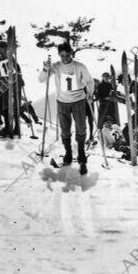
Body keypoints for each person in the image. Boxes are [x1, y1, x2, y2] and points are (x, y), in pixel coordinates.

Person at [38, 42, 94, 175]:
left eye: (67, 55)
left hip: (78, 101)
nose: (65, 58)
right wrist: (45, 69)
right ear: (59, 55)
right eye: (62, 55)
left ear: (71, 53)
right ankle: (68, 154)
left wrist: (90, 94)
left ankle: (81, 154)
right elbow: (41, 80)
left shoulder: (79, 66)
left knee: (81, 128)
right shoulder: (56, 66)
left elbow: (89, 81)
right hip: (62, 102)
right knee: (65, 129)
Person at [0, 41, 24, 137]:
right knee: (4, 106)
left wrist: (20, 77)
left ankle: (16, 128)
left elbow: (18, 68)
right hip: (4, 82)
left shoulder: (10, 57)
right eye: (3, 48)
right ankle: (7, 127)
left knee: (16, 105)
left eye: (6, 48)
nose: (5, 50)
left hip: (15, 80)